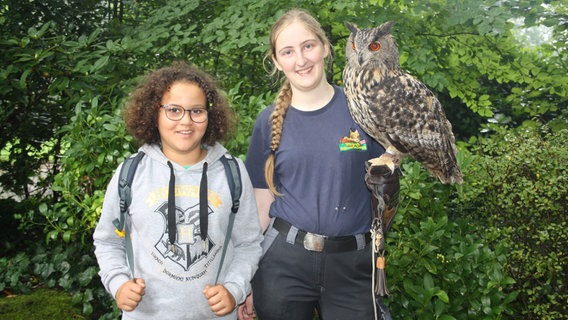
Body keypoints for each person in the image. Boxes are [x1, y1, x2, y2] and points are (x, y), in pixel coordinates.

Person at [238, 8, 397, 320]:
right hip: (283, 263)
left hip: (354, 263)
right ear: (276, 61)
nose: (300, 60)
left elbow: (390, 186)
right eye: (288, 52)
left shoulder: (364, 111)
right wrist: (246, 278)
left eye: (308, 46)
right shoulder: (268, 121)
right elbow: (259, 206)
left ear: (325, 47)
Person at [93, 61, 263, 319]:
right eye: (173, 110)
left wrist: (234, 289)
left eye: (197, 111)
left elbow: (248, 244)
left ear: (210, 115)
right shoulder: (131, 173)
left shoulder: (232, 172)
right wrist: (118, 284)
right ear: (154, 113)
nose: (186, 121)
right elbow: (107, 240)